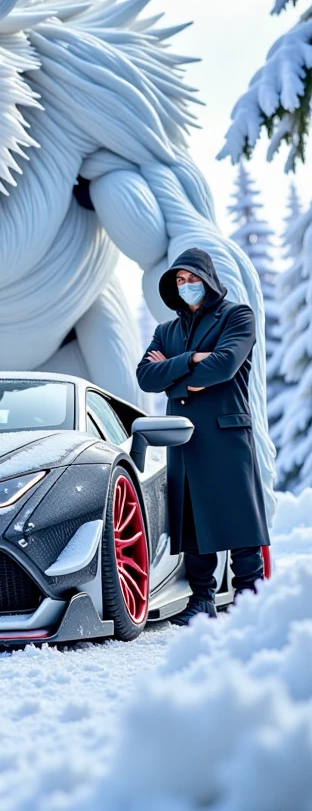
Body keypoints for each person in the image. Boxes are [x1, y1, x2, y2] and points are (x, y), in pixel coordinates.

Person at [136, 247, 270, 625]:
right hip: (184, 438)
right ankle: (202, 599)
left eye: (192, 278)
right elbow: (146, 376)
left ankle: (250, 595)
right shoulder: (166, 331)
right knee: (192, 520)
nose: (186, 286)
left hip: (227, 434)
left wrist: (175, 377)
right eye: (179, 280)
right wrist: (193, 361)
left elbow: (225, 365)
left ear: (208, 279)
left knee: (238, 517)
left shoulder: (237, 316)